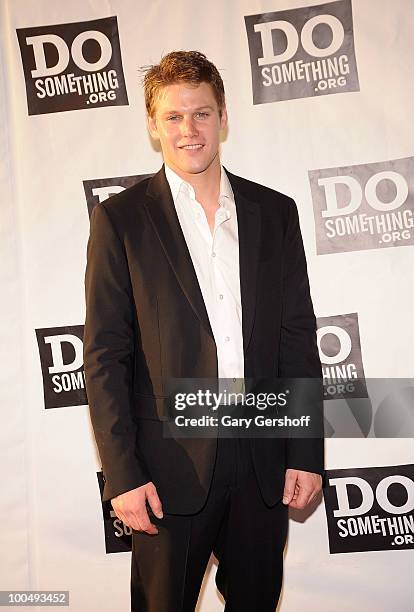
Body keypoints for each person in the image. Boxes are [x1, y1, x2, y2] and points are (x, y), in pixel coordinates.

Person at [84, 50, 324, 612]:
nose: (188, 130)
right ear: (152, 125)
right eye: (173, 116)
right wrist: (122, 475)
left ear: (223, 119)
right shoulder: (121, 219)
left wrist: (306, 449)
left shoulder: (275, 212)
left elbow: (297, 340)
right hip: (166, 470)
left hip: (262, 460)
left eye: (201, 114)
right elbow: (104, 356)